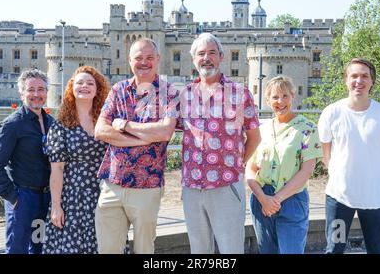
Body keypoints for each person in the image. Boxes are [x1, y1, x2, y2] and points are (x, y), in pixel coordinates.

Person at [94, 38, 179, 254]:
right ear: (130, 60)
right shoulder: (118, 90)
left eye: (149, 58)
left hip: (147, 187)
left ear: (158, 59)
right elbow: (101, 131)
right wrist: (143, 138)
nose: (144, 62)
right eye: (138, 58)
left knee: (144, 250)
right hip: (113, 184)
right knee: (108, 250)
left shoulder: (170, 93)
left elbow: (165, 131)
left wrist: (124, 125)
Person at [179, 33, 261, 254]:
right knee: (199, 250)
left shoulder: (240, 94)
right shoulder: (183, 95)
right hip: (192, 187)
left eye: (212, 53)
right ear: (193, 59)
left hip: (227, 186)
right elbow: (165, 129)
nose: (206, 58)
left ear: (221, 56)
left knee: (231, 249)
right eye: (201, 53)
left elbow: (254, 137)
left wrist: (236, 165)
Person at [318, 58, 380, 254]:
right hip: (339, 199)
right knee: (334, 249)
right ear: (346, 80)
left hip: (375, 200)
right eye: (354, 75)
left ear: (372, 81)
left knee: (377, 250)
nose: (359, 80)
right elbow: (325, 154)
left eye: (365, 76)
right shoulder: (331, 113)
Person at [246, 76, 323, 254]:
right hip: (261, 199)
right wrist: (264, 199)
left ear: (293, 97)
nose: (280, 101)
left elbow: (306, 171)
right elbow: (250, 169)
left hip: (292, 200)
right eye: (275, 97)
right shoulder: (261, 131)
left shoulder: (307, 128)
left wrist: (276, 200)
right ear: (267, 100)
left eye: (285, 96)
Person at [42, 66, 110, 254]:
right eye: (79, 82)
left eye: (90, 83)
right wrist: (56, 206)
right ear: (72, 88)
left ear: (98, 89)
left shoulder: (105, 120)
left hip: (104, 193)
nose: (84, 86)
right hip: (73, 198)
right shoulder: (61, 125)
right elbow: (57, 169)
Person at [0, 69, 54, 254]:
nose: (36, 94)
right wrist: (13, 198)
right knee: (18, 250)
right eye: (31, 89)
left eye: (41, 89)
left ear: (47, 92)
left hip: (46, 198)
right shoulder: (12, 125)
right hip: (23, 199)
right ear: (22, 93)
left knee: (40, 249)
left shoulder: (52, 123)